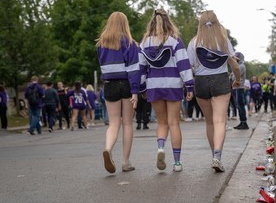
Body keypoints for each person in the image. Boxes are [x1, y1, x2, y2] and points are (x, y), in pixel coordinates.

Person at [139, 9, 193, 172]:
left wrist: (142, 87)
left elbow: (141, 67)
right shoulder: (175, 41)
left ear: (152, 23)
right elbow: (183, 64)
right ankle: (177, 163)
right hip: (173, 84)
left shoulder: (144, 43)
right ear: (168, 22)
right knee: (174, 123)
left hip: (154, 85)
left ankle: (160, 148)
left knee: (161, 122)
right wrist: (189, 85)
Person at [187, 10, 241, 173]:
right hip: (220, 80)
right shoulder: (224, 41)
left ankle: (214, 155)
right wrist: (237, 80)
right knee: (219, 121)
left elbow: (189, 67)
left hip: (201, 83)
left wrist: (189, 85)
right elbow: (235, 66)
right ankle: (217, 156)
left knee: (209, 122)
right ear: (217, 23)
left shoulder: (194, 43)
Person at [96, 11, 140, 174]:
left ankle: (108, 148)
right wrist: (135, 91)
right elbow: (134, 69)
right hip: (127, 84)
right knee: (127, 123)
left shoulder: (101, 44)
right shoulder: (130, 43)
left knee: (114, 123)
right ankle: (125, 162)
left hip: (109, 84)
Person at [232, 52, 248, 130]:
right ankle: (241, 122)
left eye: (236, 58)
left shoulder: (241, 66)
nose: (235, 59)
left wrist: (232, 76)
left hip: (239, 88)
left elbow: (233, 76)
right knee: (238, 106)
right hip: (236, 88)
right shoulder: (237, 66)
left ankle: (244, 122)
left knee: (241, 106)